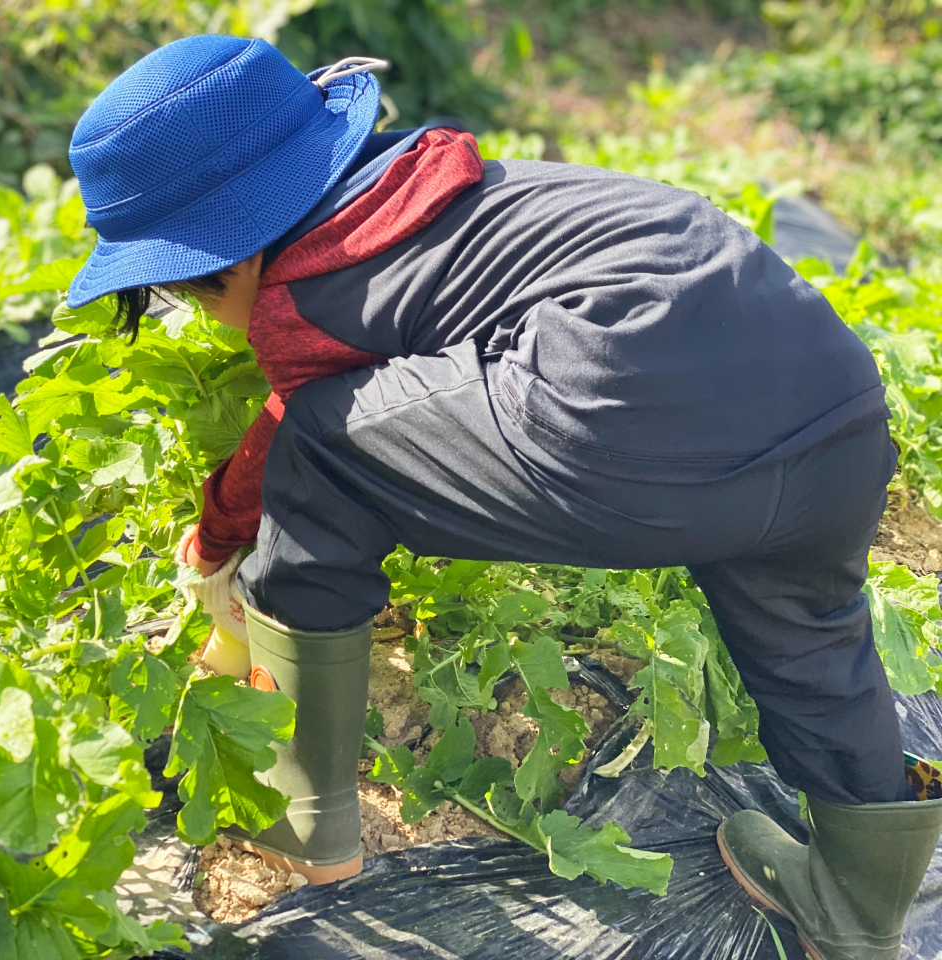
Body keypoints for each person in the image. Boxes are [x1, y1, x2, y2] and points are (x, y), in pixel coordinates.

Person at [66, 34, 942, 959]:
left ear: (224, 255)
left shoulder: (302, 286)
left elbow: (295, 426)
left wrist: (214, 540)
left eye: (185, 293)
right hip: (832, 415)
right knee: (810, 631)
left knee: (321, 453)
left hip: (628, 423)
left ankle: (303, 819)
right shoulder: (447, 183)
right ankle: (856, 907)